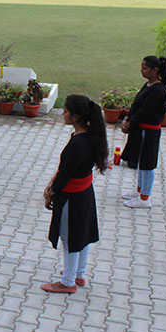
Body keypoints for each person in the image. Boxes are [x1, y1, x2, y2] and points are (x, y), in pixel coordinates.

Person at [41, 95, 108, 293]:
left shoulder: (79, 143)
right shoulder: (89, 136)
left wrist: (51, 192)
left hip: (72, 197)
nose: (63, 113)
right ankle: (78, 273)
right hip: (84, 194)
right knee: (82, 235)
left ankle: (68, 281)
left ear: (76, 117)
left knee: (70, 239)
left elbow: (66, 173)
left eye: (66, 111)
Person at [120, 56, 166, 209]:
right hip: (139, 129)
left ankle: (145, 198)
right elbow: (136, 105)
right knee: (141, 162)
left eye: (144, 68)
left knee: (147, 164)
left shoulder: (158, 90)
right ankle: (139, 191)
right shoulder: (148, 85)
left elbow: (145, 112)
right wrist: (127, 117)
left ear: (155, 70)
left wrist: (130, 125)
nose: (141, 70)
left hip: (148, 132)